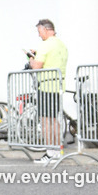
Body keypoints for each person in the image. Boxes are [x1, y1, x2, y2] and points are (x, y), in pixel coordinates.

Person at [28, 18, 68, 163]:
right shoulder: (61, 44)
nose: (39, 35)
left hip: (46, 86)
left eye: (39, 31)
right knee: (54, 121)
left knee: (45, 121)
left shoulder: (45, 44)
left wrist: (31, 59)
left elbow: (36, 66)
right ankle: (57, 152)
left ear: (45, 29)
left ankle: (50, 153)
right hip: (58, 86)